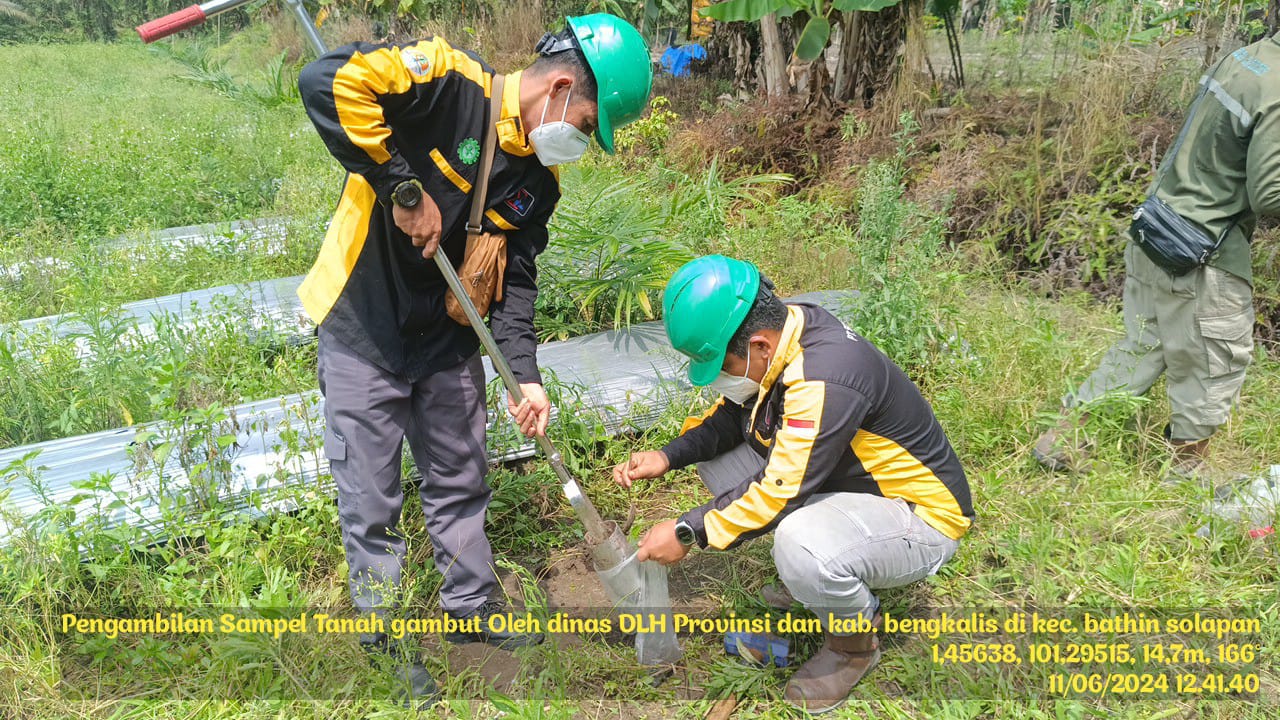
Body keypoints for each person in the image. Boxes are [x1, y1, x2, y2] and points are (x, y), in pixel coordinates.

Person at [296, 14, 651, 705]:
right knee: (371, 497)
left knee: (461, 480)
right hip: (364, 323)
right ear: (557, 86)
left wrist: (526, 377)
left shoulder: (537, 182)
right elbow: (325, 80)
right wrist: (402, 188)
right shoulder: (444, 81)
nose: (578, 139)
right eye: (584, 122)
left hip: (448, 338)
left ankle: (472, 606)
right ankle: (384, 634)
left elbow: (515, 286)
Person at [613, 255, 974, 713]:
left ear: (759, 345)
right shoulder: (787, 331)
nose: (722, 375)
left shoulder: (823, 377)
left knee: (800, 542)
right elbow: (731, 418)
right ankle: (819, 575)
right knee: (723, 462)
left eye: (722, 363)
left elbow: (779, 491)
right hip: (855, 486)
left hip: (919, 519)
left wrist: (687, 531)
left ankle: (853, 647)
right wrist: (668, 456)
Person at [1033, 35, 1279, 480]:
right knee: (1213, 362)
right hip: (1202, 250)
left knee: (1143, 345)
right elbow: (1270, 194)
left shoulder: (1248, 58)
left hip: (1159, 225)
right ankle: (1188, 473)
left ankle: (1063, 437)